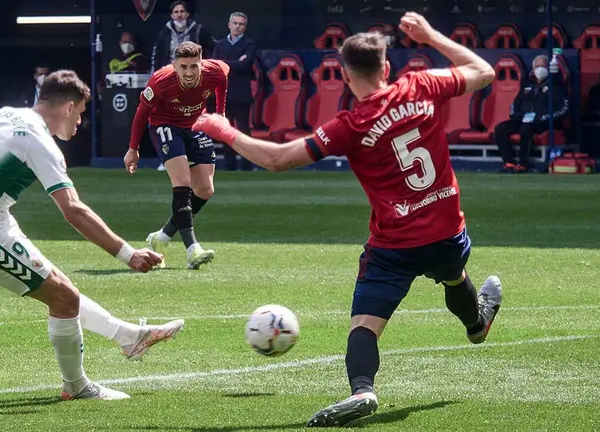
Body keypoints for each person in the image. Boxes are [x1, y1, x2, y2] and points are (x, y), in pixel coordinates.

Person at [192, 13, 503, 427]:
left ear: (343, 74)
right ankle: (477, 323)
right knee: (453, 275)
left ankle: (363, 389)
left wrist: (223, 129)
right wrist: (430, 36)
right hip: (447, 231)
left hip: (393, 246)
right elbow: (484, 72)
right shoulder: (421, 84)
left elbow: (277, 159)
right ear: (387, 68)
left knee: (364, 326)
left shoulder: (350, 126)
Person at [0, 70, 185, 401]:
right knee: (64, 299)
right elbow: (73, 210)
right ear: (67, 107)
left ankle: (129, 337)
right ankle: (77, 387)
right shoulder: (38, 141)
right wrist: (127, 254)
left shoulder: (5, 115)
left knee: (64, 290)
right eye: (79, 113)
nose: (79, 122)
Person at [125, 41, 228, 270]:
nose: (189, 72)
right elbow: (142, 114)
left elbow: (223, 80)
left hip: (195, 126)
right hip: (165, 125)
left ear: (202, 64)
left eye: (194, 66)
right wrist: (133, 148)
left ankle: (161, 238)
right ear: (175, 65)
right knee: (182, 182)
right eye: (184, 67)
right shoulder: (161, 82)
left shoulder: (216, 71)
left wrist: (220, 113)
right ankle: (192, 250)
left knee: (205, 189)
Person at [494, 54, 569, 173]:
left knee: (526, 128)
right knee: (500, 129)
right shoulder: (527, 85)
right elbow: (515, 104)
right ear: (533, 69)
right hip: (524, 119)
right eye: (537, 66)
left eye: (543, 66)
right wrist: (517, 116)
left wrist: (544, 117)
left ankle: (523, 164)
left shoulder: (556, 86)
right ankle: (509, 163)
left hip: (544, 122)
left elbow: (564, 108)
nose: (540, 68)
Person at [210, 12, 257, 171]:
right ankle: (229, 165)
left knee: (243, 131)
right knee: (226, 131)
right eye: (235, 23)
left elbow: (245, 65)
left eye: (241, 24)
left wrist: (224, 63)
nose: (237, 26)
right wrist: (235, 63)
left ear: (245, 27)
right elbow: (214, 66)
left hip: (241, 94)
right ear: (229, 24)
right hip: (222, 95)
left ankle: (246, 165)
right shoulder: (220, 44)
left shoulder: (249, 45)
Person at [151, 1, 215, 73]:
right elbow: (156, 55)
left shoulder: (197, 30)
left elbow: (213, 48)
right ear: (172, 15)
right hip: (170, 71)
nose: (179, 15)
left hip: (193, 71)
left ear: (187, 14)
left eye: (182, 11)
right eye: (176, 12)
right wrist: (154, 73)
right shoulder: (165, 32)